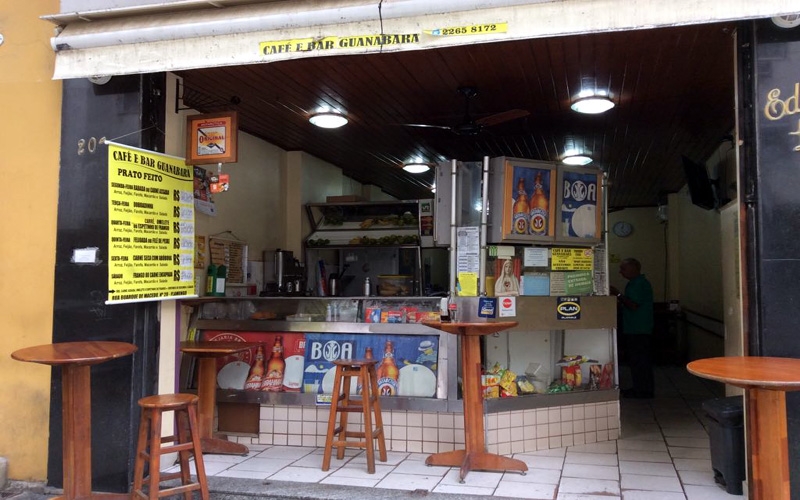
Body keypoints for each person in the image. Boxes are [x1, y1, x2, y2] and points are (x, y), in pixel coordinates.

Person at [610, 258, 654, 399]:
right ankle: (639, 388)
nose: (620, 272)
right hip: (634, 328)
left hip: (639, 329)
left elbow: (633, 305)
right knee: (636, 361)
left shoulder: (639, 284)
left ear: (634, 269)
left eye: (623, 269)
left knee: (640, 361)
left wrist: (617, 294)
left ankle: (644, 391)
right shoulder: (634, 283)